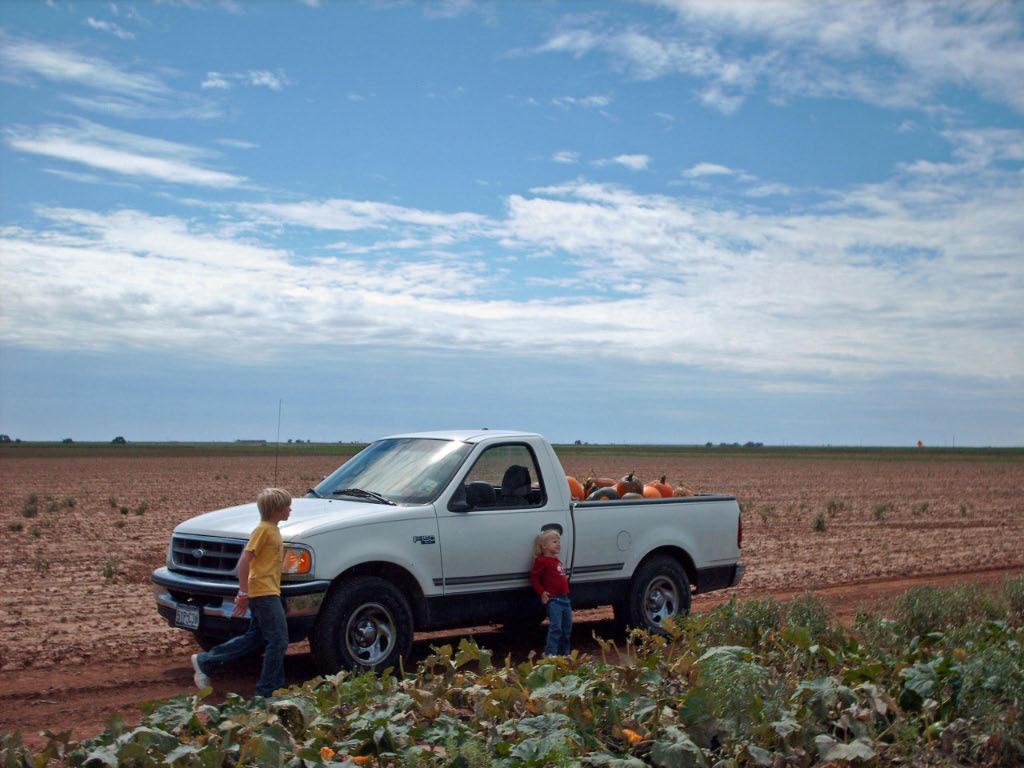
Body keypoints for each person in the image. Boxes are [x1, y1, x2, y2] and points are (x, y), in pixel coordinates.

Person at [191, 487, 291, 698]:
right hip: (263, 593)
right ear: (276, 509)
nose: (290, 509)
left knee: (256, 638)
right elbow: (245, 560)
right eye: (286, 506)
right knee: (279, 640)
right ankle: (267, 691)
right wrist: (243, 593)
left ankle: (205, 662)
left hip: (268, 591)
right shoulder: (263, 530)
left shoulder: (272, 530)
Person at [530, 529, 572, 656]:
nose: (558, 544)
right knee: (556, 628)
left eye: (559, 541)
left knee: (566, 629)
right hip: (554, 600)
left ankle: (565, 654)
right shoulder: (542, 561)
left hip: (565, 600)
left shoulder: (557, 561)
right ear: (544, 546)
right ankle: (550, 654)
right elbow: (534, 578)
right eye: (554, 541)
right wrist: (542, 592)